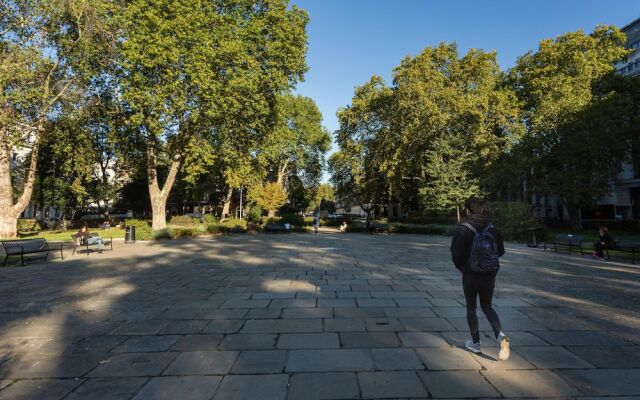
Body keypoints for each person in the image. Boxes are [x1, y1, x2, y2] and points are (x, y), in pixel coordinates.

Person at [450, 196, 510, 360]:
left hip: (470, 274)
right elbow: (501, 252)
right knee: (487, 306)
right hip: (489, 273)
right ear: (482, 209)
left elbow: (456, 255)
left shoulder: (463, 228)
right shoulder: (492, 227)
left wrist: (464, 268)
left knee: (471, 307)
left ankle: (476, 343)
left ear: (467, 210)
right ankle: (500, 335)